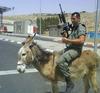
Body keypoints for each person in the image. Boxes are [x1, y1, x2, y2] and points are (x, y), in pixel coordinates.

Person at [56, 12, 87, 93]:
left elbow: (81, 40)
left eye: (74, 19)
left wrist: (67, 40)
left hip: (76, 50)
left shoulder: (80, 27)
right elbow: (68, 38)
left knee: (60, 61)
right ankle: (61, 73)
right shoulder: (73, 27)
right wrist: (64, 34)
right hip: (70, 47)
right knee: (55, 55)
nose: (72, 20)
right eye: (71, 19)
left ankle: (69, 83)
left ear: (78, 19)